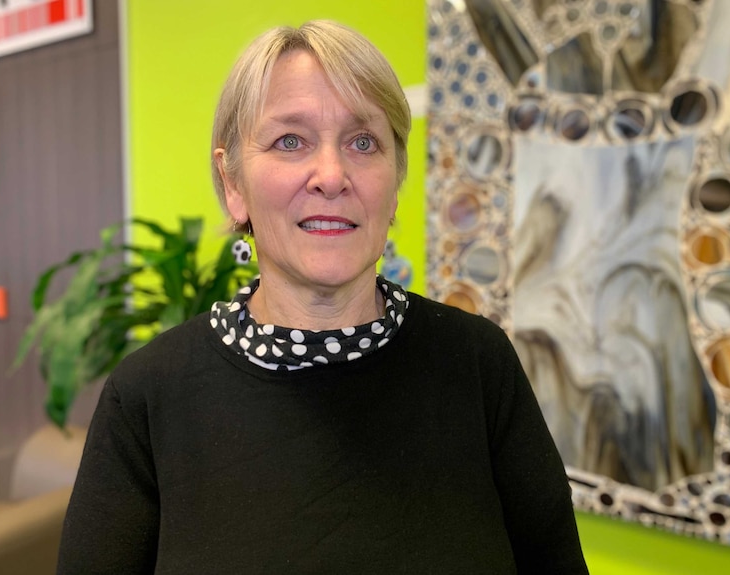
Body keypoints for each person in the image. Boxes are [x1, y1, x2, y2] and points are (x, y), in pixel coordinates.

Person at [57, 20, 589, 574]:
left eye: (364, 142)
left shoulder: (479, 366)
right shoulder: (146, 398)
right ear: (233, 184)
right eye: (291, 140)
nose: (331, 176)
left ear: (395, 178)